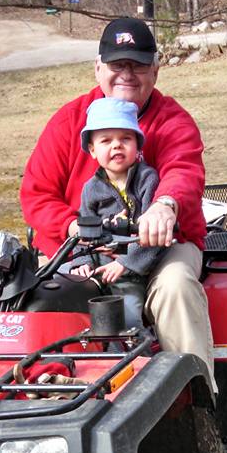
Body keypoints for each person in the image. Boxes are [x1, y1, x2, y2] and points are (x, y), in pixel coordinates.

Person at [20, 16, 216, 390]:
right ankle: (20, 400)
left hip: (160, 247)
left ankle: (198, 401)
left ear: (155, 71)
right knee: (0, 298)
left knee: (175, 286)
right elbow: (36, 193)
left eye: (139, 64)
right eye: (117, 64)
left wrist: (163, 206)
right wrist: (73, 227)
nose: (127, 74)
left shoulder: (173, 121)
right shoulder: (70, 123)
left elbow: (182, 170)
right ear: (98, 68)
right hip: (80, 250)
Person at [67, 96, 166, 330]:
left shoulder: (147, 180)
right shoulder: (91, 188)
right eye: (106, 141)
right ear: (92, 150)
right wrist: (80, 261)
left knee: (126, 317)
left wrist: (125, 263)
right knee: (70, 303)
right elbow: (84, 231)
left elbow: (152, 236)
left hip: (132, 269)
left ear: (138, 145)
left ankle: (136, 352)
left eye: (125, 139)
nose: (116, 145)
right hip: (97, 266)